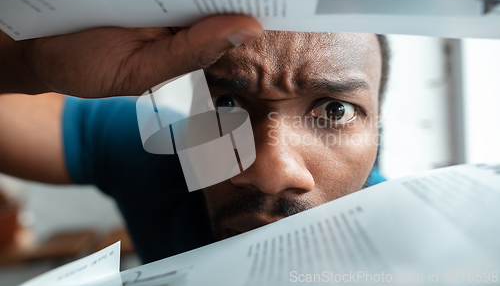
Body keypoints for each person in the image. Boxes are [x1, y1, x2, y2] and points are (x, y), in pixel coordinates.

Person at [0, 31, 389, 263]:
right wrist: (26, 59)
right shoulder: (159, 160)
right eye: (227, 104)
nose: (269, 173)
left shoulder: (415, 251)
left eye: (335, 111)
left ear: (377, 136)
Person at [0, 15, 263, 96]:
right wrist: (27, 61)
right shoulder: (146, 163)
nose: (276, 176)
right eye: (227, 105)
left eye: (307, 113)